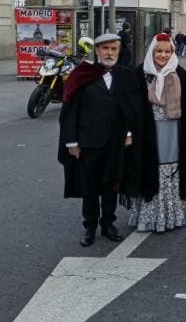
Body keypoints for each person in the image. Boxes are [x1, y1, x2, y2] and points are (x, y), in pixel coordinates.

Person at [57, 33, 158, 247]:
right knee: (90, 188)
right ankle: (90, 227)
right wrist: (71, 142)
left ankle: (108, 224)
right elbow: (70, 112)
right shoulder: (81, 75)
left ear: (119, 51)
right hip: (88, 143)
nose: (109, 53)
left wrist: (130, 133)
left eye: (113, 49)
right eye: (105, 49)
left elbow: (136, 110)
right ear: (97, 51)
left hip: (117, 143)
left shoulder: (128, 76)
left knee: (112, 185)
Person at [128, 33, 186, 232]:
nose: (163, 55)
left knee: (172, 169)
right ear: (152, 52)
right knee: (150, 167)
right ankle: (150, 215)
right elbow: (130, 106)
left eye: (167, 51)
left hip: (173, 132)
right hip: (148, 133)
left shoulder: (181, 74)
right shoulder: (140, 74)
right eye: (159, 51)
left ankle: (172, 214)